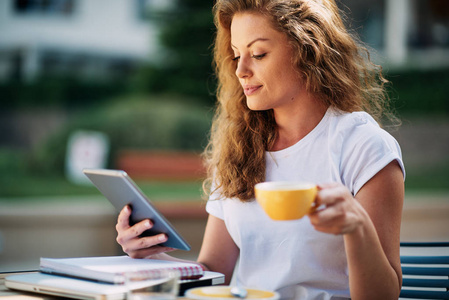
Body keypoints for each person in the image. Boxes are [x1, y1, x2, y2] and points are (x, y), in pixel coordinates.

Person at [115, 0, 405, 299]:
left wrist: (356, 227)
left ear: (308, 51)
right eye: (237, 55)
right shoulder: (238, 150)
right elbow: (214, 271)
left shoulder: (363, 146)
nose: (241, 70)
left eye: (258, 54)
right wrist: (150, 256)